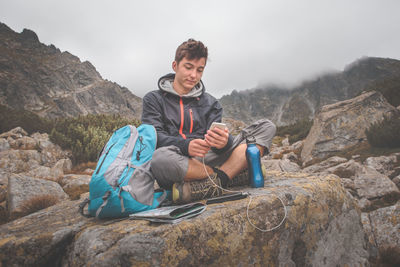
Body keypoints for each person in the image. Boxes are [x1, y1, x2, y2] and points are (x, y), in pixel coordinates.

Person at [141, 39, 276, 204]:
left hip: (208, 158)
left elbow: (218, 147)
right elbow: (153, 138)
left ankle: (214, 182)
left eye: (200, 70)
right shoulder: (153, 99)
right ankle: (231, 176)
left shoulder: (211, 103)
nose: (193, 75)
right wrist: (186, 146)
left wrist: (224, 143)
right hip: (179, 162)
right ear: (175, 66)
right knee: (159, 158)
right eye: (188, 67)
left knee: (266, 127)